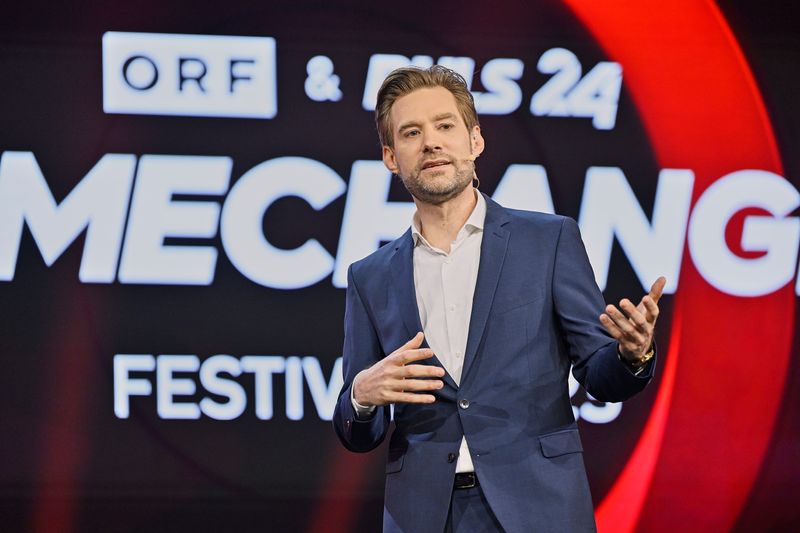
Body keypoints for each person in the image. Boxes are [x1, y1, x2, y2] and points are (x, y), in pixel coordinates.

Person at [332, 65, 664, 533]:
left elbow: (600, 375)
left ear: (475, 141)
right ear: (391, 157)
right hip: (424, 514)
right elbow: (358, 433)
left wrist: (632, 354)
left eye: (445, 126)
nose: (431, 143)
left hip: (539, 507)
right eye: (412, 132)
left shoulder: (548, 241)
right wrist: (361, 396)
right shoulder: (370, 277)